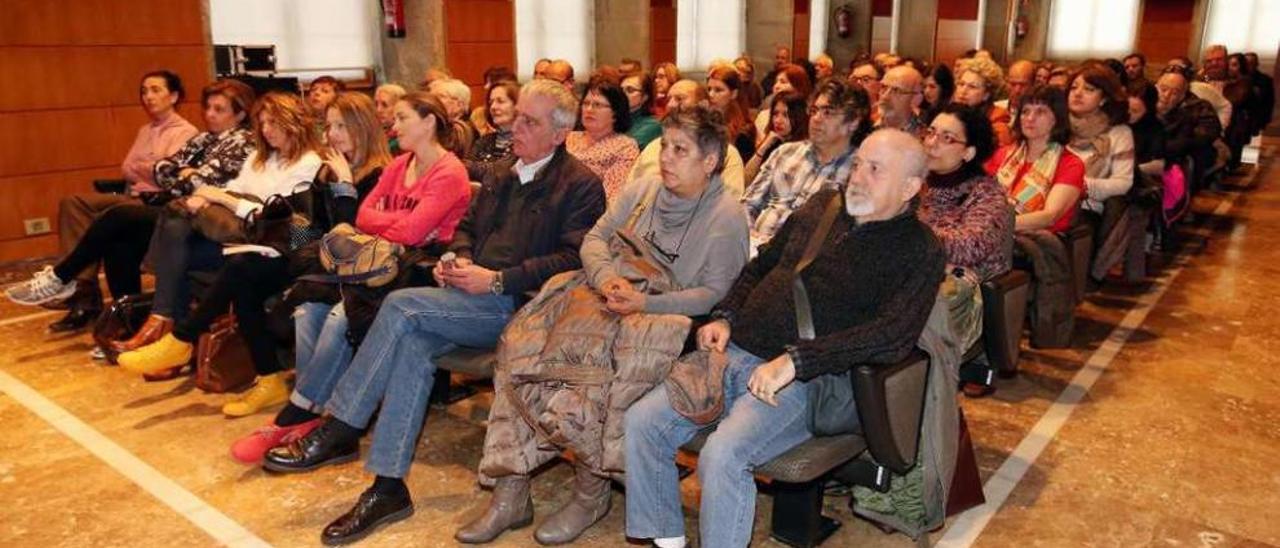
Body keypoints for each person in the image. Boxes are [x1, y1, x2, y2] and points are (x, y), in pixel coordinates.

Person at [258, 80, 606, 546]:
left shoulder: (580, 184)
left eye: (530, 121)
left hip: (524, 308)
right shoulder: (503, 173)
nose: (515, 127)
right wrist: (454, 258)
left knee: (400, 306)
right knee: (413, 346)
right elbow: (464, 228)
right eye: (517, 115)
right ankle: (387, 487)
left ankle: (341, 425)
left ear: (560, 134)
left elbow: (572, 259)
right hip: (470, 296)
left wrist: (498, 280)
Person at [625, 128, 945, 548]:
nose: (858, 176)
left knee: (723, 455)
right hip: (732, 352)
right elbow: (762, 267)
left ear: (910, 187)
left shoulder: (920, 249)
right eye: (859, 162)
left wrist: (799, 360)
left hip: (803, 382)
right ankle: (667, 540)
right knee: (641, 423)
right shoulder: (823, 206)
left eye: (875, 169)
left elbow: (892, 336)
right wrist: (724, 316)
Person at [459, 103, 749, 545]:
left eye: (680, 150)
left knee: (593, 372)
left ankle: (590, 492)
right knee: (522, 345)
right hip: (607, 292)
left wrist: (643, 304)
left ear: (709, 162)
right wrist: (608, 278)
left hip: (664, 317)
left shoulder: (726, 216)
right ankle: (510, 489)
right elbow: (595, 238)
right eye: (665, 146)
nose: (666, 157)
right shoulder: (644, 189)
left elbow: (714, 293)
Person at [222, 91, 473, 459]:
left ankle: (302, 414)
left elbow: (398, 232)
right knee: (300, 304)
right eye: (330, 125)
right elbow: (352, 222)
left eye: (402, 118)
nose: (394, 124)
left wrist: (377, 218)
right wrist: (388, 222)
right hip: (357, 266)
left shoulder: (432, 171)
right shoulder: (383, 166)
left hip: (408, 272)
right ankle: (308, 409)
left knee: (339, 314)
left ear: (428, 122)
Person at [118, 92, 394, 413]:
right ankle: (265, 378)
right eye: (329, 126)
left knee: (242, 270)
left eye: (340, 127)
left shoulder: (378, 174)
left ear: (362, 128)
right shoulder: (329, 169)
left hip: (348, 265)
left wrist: (345, 186)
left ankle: (183, 340)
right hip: (309, 251)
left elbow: (351, 236)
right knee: (243, 269)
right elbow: (306, 221)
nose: (331, 135)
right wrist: (283, 243)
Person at [6, 79, 243, 333]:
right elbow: (162, 169)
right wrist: (178, 172)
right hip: (176, 210)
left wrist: (180, 173)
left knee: (118, 218)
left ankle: (63, 277)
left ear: (240, 114)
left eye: (218, 110)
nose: (209, 115)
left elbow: (189, 182)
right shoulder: (205, 139)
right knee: (119, 238)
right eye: (207, 107)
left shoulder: (242, 143)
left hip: (207, 221)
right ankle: (129, 323)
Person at [112, 92, 322, 359]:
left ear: (293, 123)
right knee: (177, 237)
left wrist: (221, 198)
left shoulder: (309, 162)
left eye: (273, 123)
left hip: (271, 243)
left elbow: (278, 217)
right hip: (239, 234)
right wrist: (208, 196)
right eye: (263, 123)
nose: (266, 130)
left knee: (174, 242)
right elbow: (236, 187)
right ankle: (171, 332)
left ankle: (169, 330)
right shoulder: (262, 157)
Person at [920, 105, 1014, 396]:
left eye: (947, 138)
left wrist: (907, 233)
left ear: (968, 152)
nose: (932, 142)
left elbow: (967, 246)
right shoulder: (913, 182)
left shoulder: (986, 194)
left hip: (965, 291)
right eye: (931, 132)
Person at [743, 80, 870, 252]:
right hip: (755, 249)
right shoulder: (785, 153)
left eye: (828, 112)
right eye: (814, 110)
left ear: (853, 122)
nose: (816, 119)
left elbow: (849, 237)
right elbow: (748, 204)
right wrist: (749, 236)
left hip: (805, 264)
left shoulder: (859, 171)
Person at [986, 86, 1085, 233]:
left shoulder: (1071, 164)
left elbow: (1049, 216)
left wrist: (992, 226)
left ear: (1056, 119)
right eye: (1025, 111)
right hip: (993, 234)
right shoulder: (1004, 154)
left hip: (1034, 243)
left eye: (1040, 112)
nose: (1030, 118)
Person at [631, 80, 748, 195]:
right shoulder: (653, 147)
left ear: (703, 105)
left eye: (679, 99)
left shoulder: (727, 154)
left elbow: (728, 206)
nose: (670, 105)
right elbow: (629, 193)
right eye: (669, 99)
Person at [1067, 65, 1136, 242]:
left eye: (1089, 89)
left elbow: (1123, 183)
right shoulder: (1057, 124)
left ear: (1104, 98)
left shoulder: (1119, 133)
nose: (1078, 93)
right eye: (1074, 87)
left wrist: (1081, 186)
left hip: (1086, 207)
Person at [567, 79, 640, 200]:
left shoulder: (624, 147)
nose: (589, 109)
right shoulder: (568, 137)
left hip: (587, 209)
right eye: (585, 103)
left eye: (597, 105)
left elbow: (611, 196)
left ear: (615, 113)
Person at [1155, 68, 1221, 187]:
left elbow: (1204, 135)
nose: (1166, 95)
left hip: (1178, 157)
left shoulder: (1195, 109)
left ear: (1182, 96)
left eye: (1174, 92)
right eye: (1163, 89)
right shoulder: (1142, 106)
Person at [745, 92, 809, 183]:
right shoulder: (773, 142)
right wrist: (763, 147)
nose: (778, 121)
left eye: (785, 115)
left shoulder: (805, 150)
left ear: (798, 117)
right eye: (775, 114)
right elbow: (746, 180)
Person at [955, 56, 1013, 146]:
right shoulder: (952, 113)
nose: (963, 91)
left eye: (972, 87)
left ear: (986, 94)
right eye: (961, 84)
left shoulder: (997, 124)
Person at [707, 65, 758, 160]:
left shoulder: (744, 131)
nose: (711, 95)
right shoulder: (706, 120)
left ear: (734, 94)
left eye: (718, 90)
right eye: (709, 89)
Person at [755, 64, 813, 145]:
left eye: (783, 82)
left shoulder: (810, 119)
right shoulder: (763, 116)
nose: (776, 86)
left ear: (798, 87)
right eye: (776, 82)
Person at [468, 80, 520, 166]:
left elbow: (503, 173)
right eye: (491, 102)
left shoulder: (526, 142)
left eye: (500, 101)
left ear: (517, 105)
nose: (493, 107)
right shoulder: (484, 141)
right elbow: (466, 168)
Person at [428, 78, 477, 157]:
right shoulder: (441, 125)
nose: (432, 101)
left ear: (459, 105)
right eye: (432, 97)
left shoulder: (461, 130)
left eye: (440, 96)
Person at [1127, 82, 1166, 178]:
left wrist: (1131, 171)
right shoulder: (1117, 117)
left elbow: (1159, 165)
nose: (1128, 114)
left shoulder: (1155, 128)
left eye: (1135, 111)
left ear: (1148, 110)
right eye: (1127, 108)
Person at [877, 65, 925, 136]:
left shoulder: (923, 138)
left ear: (916, 99)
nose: (885, 96)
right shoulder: (866, 130)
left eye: (896, 90)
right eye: (883, 87)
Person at [622, 72, 662, 149]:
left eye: (630, 90)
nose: (622, 94)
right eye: (621, 90)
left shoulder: (653, 125)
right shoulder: (616, 119)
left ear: (645, 97)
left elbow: (624, 149)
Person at [374, 83, 407, 154]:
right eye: (376, 104)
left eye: (384, 105)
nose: (378, 110)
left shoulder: (402, 139)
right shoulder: (378, 133)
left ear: (398, 106)